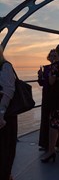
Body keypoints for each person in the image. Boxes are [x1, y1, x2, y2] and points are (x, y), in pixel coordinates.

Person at [37, 49, 59, 151]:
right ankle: (46, 144)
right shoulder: (47, 68)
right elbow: (43, 83)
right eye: (51, 56)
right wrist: (40, 76)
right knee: (45, 119)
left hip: (56, 96)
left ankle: (58, 143)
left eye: (55, 56)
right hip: (47, 96)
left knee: (57, 120)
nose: (53, 58)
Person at [0, 44, 17, 180]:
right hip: (4, 114)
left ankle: (5, 174)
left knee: (6, 145)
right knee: (6, 146)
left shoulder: (5, 67)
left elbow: (8, 91)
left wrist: (1, 114)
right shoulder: (5, 66)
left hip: (5, 114)